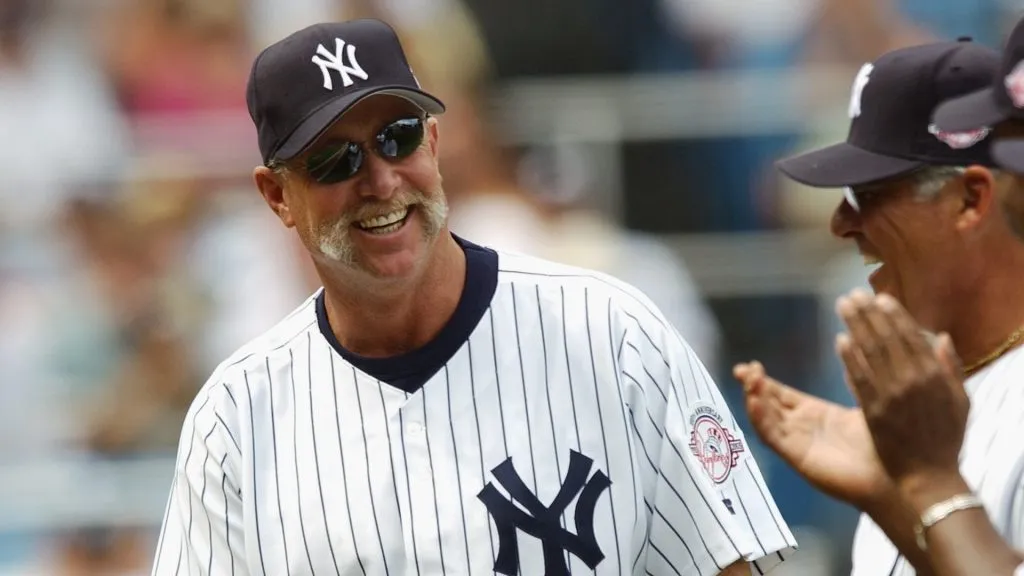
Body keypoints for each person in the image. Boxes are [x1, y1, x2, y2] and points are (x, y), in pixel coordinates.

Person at [150, 18, 797, 575]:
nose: (379, 180)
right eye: (333, 161)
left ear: (432, 142)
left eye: (397, 137)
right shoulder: (236, 416)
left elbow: (731, 563)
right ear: (276, 196)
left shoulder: (612, 332)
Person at [730, 39, 1024, 576]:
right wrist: (889, 494)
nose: (841, 223)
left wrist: (930, 482)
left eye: (871, 193)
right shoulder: (918, 412)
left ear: (970, 200)